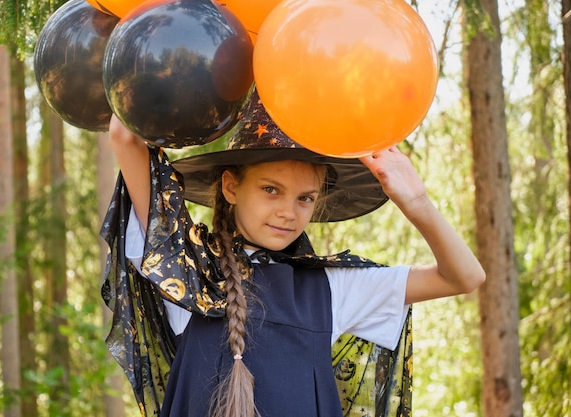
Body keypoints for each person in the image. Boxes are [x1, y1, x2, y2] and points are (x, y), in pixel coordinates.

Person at [100, 90, 485, 417]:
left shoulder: (333, 287)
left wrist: (416, 201)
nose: (289, 212)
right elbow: (124, 133)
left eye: (305, 198)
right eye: (271, 190)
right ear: (231, 187)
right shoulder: (186, 265)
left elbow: (464, 276)